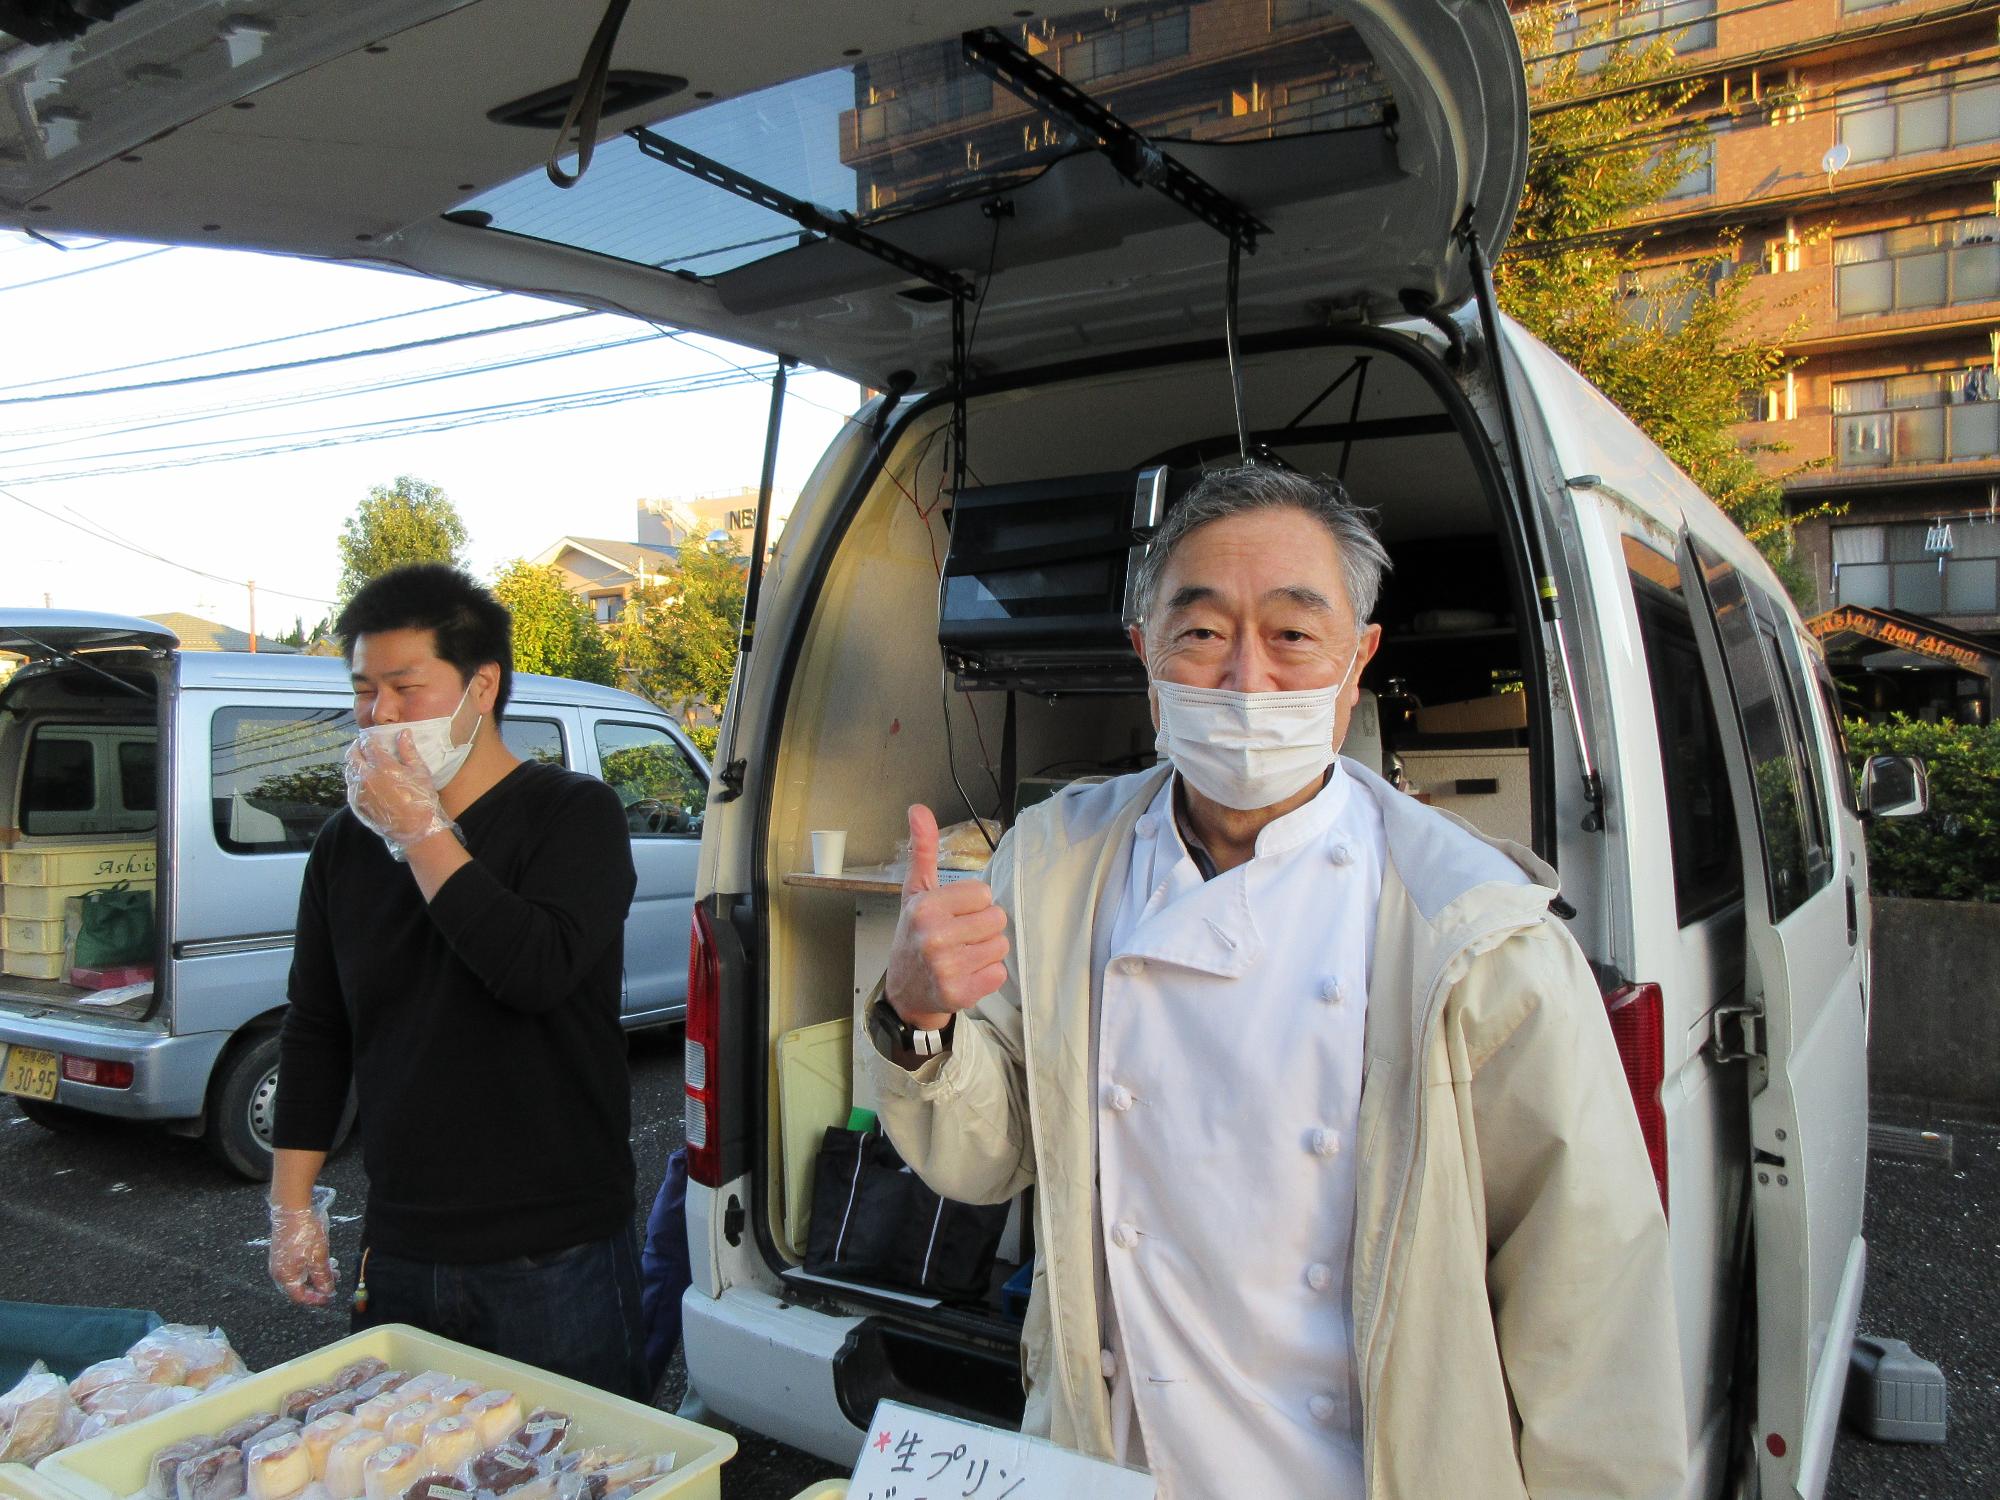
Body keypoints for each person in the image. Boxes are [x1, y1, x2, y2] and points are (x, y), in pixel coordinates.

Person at [865, 466, 1686, 1499]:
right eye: (1200, 634)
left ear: (1357, 664)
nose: (1245, 682)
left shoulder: (1471, 932)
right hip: (1113, 1460)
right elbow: (990, 1158)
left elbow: (1588, 1305)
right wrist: (916, 1018)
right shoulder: (1055, 860)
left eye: (1293, 636)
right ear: (1145, 656)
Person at [266, 564, 647, 1400]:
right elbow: (318, 1027)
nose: (381, 713)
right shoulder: (344, 845)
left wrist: (422, 830)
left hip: (554, 1253)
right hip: (401, 1245)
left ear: (483, 686)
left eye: (407, 686)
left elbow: (534, 971)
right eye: (366, 690)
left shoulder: (574, 814)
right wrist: (292, 1207)